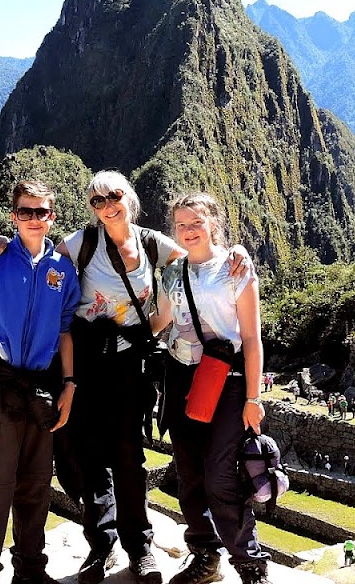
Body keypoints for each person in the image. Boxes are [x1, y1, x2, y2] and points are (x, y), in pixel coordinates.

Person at [0, 173, 252, 584]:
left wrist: (236, 252)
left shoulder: (154, 244)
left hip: (130, 363)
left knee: (128, 454)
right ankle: (100, 544)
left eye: (114, 196)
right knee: (89, 456)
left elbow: (200, 255)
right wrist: (2, 242)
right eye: (97, 200)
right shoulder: (82, 243)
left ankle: (139, 547)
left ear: (129, 198)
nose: (107, 206)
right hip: (86, 361)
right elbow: (38, 253)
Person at [0, 181, 81, 584]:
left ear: (52, 216)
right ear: (14, 216)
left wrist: (69, 384)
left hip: (42, 387)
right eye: (26, 211)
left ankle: (30, 569)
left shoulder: (63, 270)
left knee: (37, 483)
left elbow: (65, 331)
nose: (34, 219)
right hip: (0, 385)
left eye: (42, 212)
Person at [149, 193, 269, 584]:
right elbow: (160, 320)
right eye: (181, 225)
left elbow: (251, 338)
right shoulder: (172, 273)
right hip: (181, 377)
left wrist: (253, 398)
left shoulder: (235, 268)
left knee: (221, 475)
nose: (188, 231)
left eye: (196, 222)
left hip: (226, 381)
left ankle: (250, 564)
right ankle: (204, 556)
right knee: (189, 472)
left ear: (213, 223)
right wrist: (110, 326)